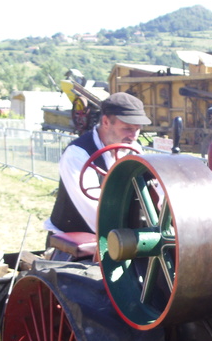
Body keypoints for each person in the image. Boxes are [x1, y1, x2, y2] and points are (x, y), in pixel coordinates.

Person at [45, 92, 151, 236]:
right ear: (106, 122)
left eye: (137, 129)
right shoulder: (77, 154)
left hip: (121, 239)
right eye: (127, 128)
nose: (134, 136)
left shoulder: (134, 149)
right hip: (73, 244)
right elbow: (96, 215)